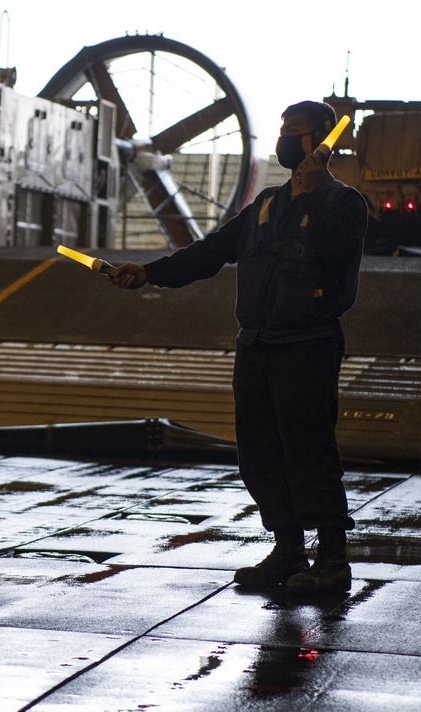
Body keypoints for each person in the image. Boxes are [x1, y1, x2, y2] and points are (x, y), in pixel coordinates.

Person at [110, 101, 368, 595]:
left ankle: (333, 559)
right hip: (257, 346)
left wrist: (313, 196)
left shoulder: (343, 203)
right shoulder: (267, 204)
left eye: (295, 131)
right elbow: (209, 253)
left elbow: (338, 259)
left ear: (321, 141)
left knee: (310, 451)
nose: (285, 139)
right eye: (283, 129)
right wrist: (150, 273)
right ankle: (288, 548)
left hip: (307, 345)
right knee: (260, 453)